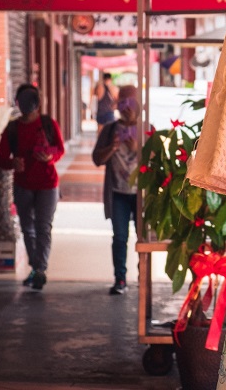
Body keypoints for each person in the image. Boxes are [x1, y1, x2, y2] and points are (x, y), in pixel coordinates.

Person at [0, 84, 65, 291]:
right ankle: (36, 268)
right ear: (18, 103)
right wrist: (12, 163)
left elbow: (60, 149)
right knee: (28, 229)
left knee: (43, 227)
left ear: (37, 103)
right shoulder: (13, 128)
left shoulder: (48, 124)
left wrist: (51, 157)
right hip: (23, 185)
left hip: (47, 184)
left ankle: (40, 269)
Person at [92, 85, 140, 295]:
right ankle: (120, 278)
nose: (126, 107)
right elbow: (96, 159)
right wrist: (111, 148)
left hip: (141, 195)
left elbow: (157, 165)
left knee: (143, 238)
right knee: (120, 237)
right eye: (122, 102)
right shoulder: (110, 129)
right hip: (118, 193)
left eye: (130, 102)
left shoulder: (148, 128)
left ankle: (143, 275)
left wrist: (138, 149)